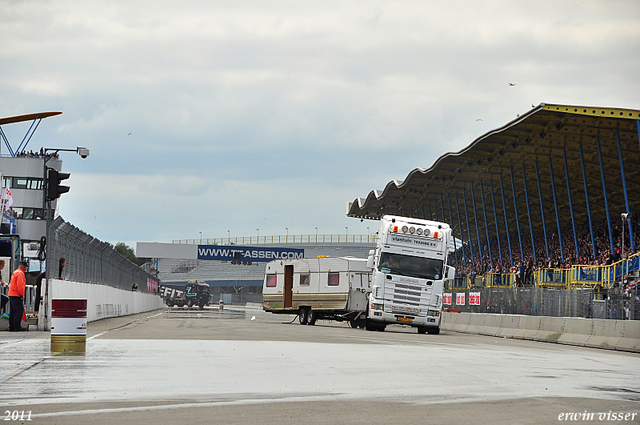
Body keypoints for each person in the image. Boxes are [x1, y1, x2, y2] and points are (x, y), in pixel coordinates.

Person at [8, 261, 28, 331]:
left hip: (12, 293)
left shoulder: (16, 272)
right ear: (23, 266)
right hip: (16, 294)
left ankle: (12, 326)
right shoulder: (20, 273)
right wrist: (22, 294)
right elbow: (20, 285)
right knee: (19, 310)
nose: (26, 268)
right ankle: (17, 326)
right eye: (25, 267)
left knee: (13, 311)